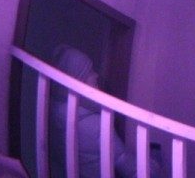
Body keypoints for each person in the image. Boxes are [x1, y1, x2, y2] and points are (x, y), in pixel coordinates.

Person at [49, 46, 138, 178]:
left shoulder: (52, 113)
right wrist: (152, 168)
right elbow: (124, 161)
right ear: (78, 80)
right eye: (89, 72)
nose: (96, 75)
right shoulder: (96, 124)